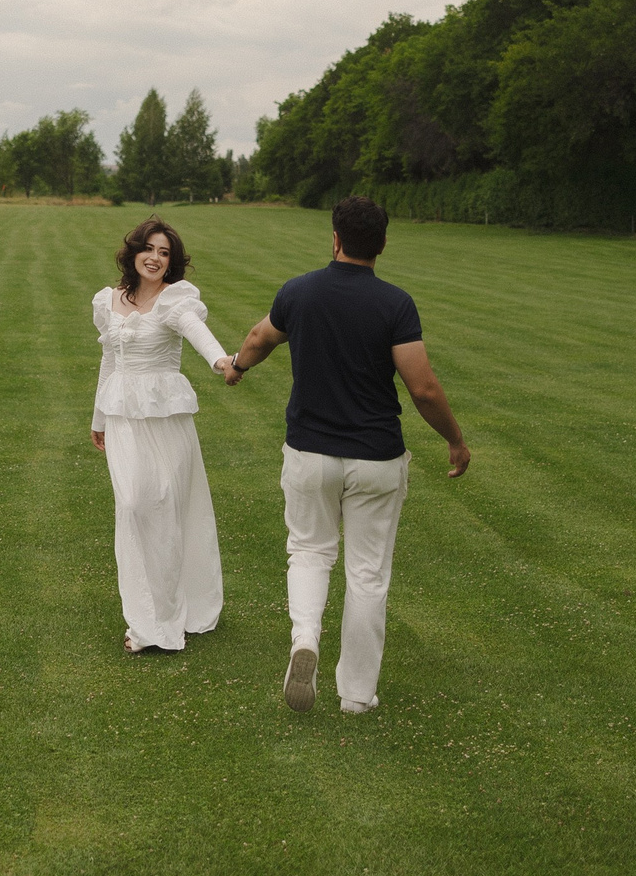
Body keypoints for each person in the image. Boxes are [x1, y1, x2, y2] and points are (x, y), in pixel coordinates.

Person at [224, 195, 469, 714]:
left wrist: (239, 367)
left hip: (309, 453)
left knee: (309, 552)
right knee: (367, 574)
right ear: (382, 244)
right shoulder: (395, 304)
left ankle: (305, 638)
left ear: (335, 239)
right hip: (377, 459)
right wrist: (455, 440)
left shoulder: (299, 291)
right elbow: (423, 388)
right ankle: (356, 696)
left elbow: (259, 337)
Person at [91, 217, 240, 654]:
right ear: (133, 252)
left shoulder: (176, 300)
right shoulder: (109, 300)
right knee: (133, 505)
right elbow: (109, 361)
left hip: (166, 417)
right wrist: (98, 418)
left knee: (169, 507)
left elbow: (197, 333)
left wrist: (221, 361)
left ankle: (172, 612)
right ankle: (147, 621)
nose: (155, 258)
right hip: (122, 416)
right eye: (149, 249)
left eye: (164, 253)